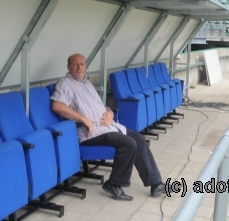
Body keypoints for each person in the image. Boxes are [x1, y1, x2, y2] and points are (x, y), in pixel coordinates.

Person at [50, 53, 165, 201]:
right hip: (89, 132)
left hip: (107, 126)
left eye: (82, 64)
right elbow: (57, 106)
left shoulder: (87, 83)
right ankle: (114, 184)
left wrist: (109, 112)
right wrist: (83, 119)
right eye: (75, 64)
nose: (79, 67)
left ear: (86, 67)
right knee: (128, 143)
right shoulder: (65, 83)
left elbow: (99, 106)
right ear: (68, 67)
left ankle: (155, 183)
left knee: (139, 139)